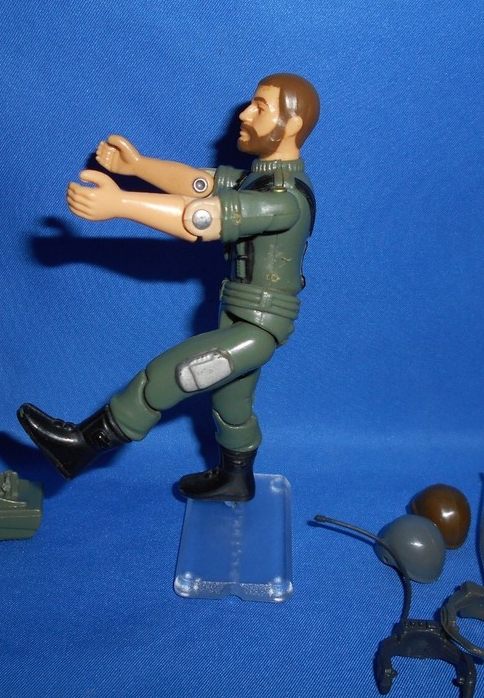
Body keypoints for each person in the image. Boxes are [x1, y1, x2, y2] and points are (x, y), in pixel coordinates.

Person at [18, 73, 319, 502]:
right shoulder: (258, 180)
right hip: (238, 312)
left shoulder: (283, 199)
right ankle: (236, 479)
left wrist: (120, 203)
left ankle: (82, 445)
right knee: (231, 407)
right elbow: (198, 183)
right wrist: (138, 167)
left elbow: (200, 219)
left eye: (260, 107)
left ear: (291, 125)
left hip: (260, 327)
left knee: (172, 375)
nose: (245, 114)